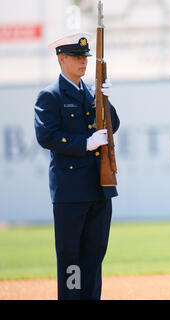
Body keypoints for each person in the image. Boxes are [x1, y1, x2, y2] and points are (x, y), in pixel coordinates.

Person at [34, 32, 120, 300]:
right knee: (71, 257)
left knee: (94, 256)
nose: (83, 62)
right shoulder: (50, 95)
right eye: (76, 57)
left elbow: (112, 126)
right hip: (70, 192)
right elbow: (47, 136)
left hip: (99, 186)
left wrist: (106, 101)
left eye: (84, 57)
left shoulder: (90, 92)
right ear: (61, 59)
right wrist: (85, 143)